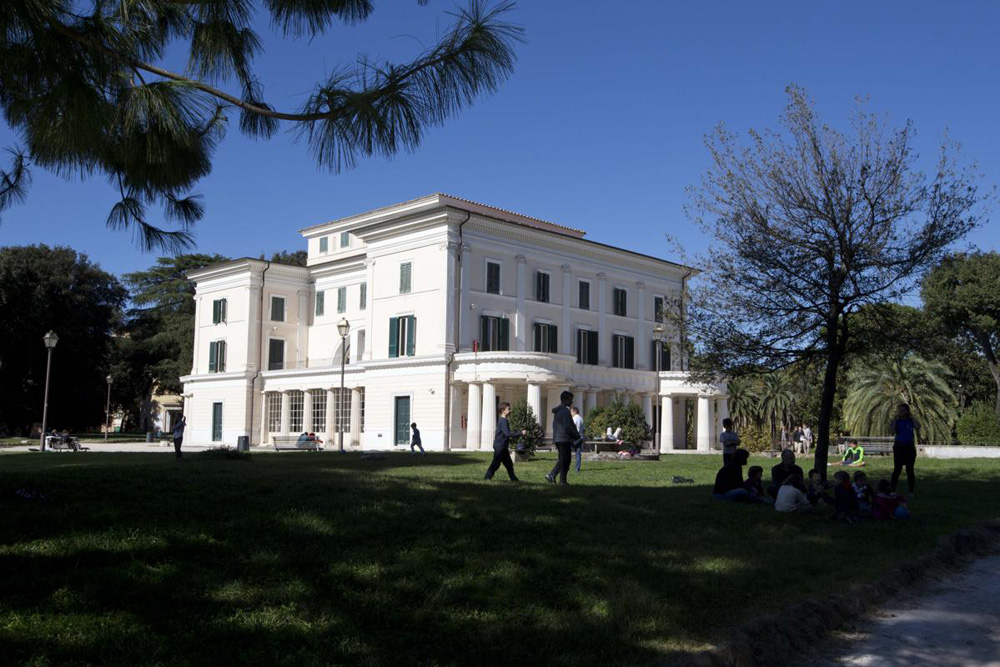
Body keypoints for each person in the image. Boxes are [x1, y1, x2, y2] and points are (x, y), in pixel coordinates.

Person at [546, 391, 581, 485]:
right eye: (570, 400)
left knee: (566, 459)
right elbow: (568, 427)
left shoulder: (559, 411)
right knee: (564, 459)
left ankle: (563, 481)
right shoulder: (565, 412)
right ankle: (552, 475)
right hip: (564, 439)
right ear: (564, 400)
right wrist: (577, 436)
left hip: (558, 438)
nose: (571, 402)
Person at [484, 402, 520, 481]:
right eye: (508, 409)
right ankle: (487, 477)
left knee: (508, 463)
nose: (510, 410)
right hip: (500, 445)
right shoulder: (503, 420)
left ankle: (513, 478)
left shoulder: (504, 420)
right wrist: (520, 433)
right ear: (503, 411)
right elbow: (507, 433)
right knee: (496, 463)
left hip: (503, 445)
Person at [890, 403, 918, 496]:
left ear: (907, 411)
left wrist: (912, 417)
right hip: (899, 447)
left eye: (902, 410)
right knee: (897, 469)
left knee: (910, 469)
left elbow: (918, 426)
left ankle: (911, 491)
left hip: (909, 447)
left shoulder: (910, 421)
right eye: (899, 410)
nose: (900, 412)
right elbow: (892, 432)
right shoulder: (897, 421)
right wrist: (895, 420)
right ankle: (892, 489)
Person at [570, 406, 585, 473]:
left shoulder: (574, 418)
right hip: (581, 438)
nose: (571, 413)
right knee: (578, 454)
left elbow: (572, 428)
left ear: (574, 411)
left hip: (575, 438)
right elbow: (583, 430)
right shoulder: (581, 419)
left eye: (571, 411)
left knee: (567, 451)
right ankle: (577, 468)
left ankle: (565, 466)